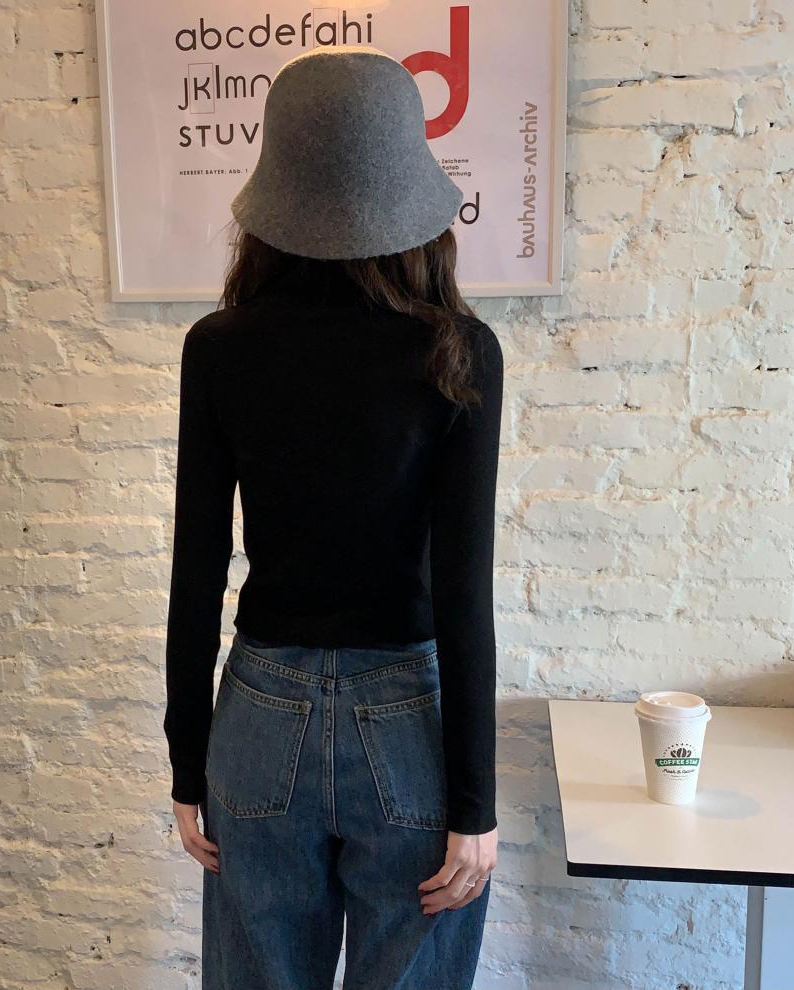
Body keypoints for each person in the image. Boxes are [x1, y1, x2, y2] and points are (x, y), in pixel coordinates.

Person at [163, 45, 503, 990]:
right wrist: (474, 803)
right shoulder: (458, 350)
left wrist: (187, 761)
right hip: (408, 725)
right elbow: (463, 591)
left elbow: (197, 572)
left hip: (259, 716)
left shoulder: (219, 348)